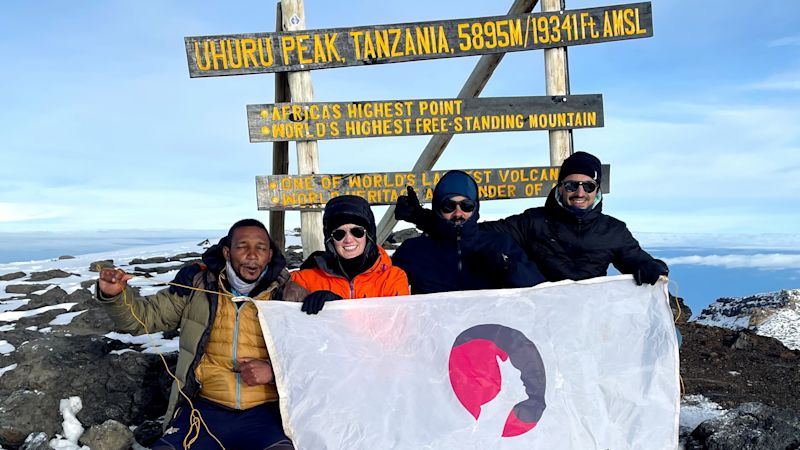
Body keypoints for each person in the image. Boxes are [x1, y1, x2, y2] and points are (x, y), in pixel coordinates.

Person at [96, 219, 306, 450]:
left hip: (268, 413)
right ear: (227, 252)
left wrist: (273, 371)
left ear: (269, 254)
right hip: (203, 409)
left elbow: (316, 358)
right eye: (242, 246)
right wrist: (115, 296)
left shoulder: (289, 295)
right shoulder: (197, 286)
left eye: (261, 248)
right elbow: (143, 319)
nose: (252, 254)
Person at [395, 152, 668, 285]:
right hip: (541, 314)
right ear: (560, 186)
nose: (579, 192)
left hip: (589, 313)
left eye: (588, 186)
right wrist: (422, 216)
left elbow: (634, 258)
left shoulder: (613, 230)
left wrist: (651, 266)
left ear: (597, 190)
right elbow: (472, 232)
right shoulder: (533, 222)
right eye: (572, 185)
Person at [392, 170, 546, 294]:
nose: (458, 213)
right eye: (448, 206)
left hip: (490, 331)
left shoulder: (499, 244)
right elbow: (382, 282)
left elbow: (540, 291)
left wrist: (508, 267)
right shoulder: (413, 251)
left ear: (476, 207)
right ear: (437, 208)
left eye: (466, 206)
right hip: (433, 330)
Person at [290, 195, 410, 314]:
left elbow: (395, 326)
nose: (348, 239)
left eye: (357, 232)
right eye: (339, 234)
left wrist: (337, 306)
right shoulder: (302, 280)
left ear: (369, 235)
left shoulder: (393, 278)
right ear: (330, 239)